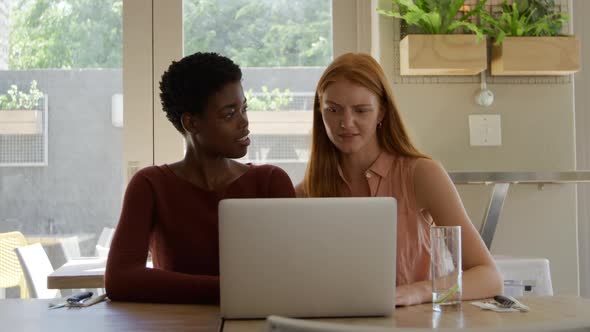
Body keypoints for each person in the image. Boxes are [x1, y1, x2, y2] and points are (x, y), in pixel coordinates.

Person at [296, 53, 502, 306]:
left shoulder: (422, 174)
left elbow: (488, 276)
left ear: (381, 112)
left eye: (361, 110)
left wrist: (417, 292)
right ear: (320, 112)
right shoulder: (306, 192)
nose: (346, 123)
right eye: (333, 110)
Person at [105, 52, 295, 304]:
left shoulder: (270, 181)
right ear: (191, 123)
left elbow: (292, 278)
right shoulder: (150, 185)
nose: (245, 122)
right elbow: (120, 280)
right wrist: (234, 290)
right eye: (229, 114)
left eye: (243, 108)